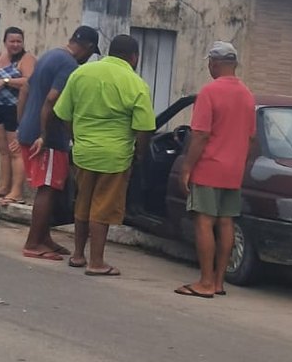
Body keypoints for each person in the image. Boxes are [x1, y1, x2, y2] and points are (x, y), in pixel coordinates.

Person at [54, 34, 156, 277]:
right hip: (115, 156)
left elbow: (64, 114)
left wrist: (78, 139)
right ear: (134, 57)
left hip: (84, 152)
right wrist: (139, 154)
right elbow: (144, 128)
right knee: (103, 208)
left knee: (83, 202)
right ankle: (96, 262)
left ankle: (78, 255)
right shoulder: (136, 83)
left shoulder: (81, 74)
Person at [174, 41, 256, 299]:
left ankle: (205, 281)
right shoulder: (247, 95)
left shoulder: (209, 92)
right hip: (233, 171)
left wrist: (187, 168)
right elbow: (251, 138)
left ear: (214, 63)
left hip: (209, 167)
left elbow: (200, 135)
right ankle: (219, 282)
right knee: (226, 222)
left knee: (204, 221)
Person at [15, 26, 100, 261]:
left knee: (49, 186)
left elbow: (25, 89)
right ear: (89, 48)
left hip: (30, 132)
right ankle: (33, 243)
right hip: (49, 138)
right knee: (48, 188)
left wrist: (23, 125)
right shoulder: (69, 65)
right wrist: (43, 134)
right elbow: (52, 101)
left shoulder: (50, 55)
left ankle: (44, 238)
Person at [0, 27, 36, 204]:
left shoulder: (26, 59)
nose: (16, 44)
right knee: (3, 150)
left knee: (16, 151)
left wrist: (6, 81)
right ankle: (4, 186)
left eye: (19, 41)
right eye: (12, 41)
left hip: (15, 109)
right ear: (5, 42)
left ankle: (16, 191)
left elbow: (29, 80)